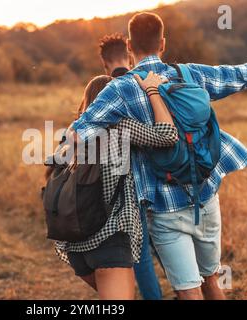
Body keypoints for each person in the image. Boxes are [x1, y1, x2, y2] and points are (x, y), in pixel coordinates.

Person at [69, 12, 247, 300]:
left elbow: (77, 135)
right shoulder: (192, 74)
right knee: (212, 281)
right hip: (206, 197)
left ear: (129, 46)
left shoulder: (121, 89)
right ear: (162, 43)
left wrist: (122, 130)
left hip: (164, 209)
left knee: (189, 292)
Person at [49, 74, 178, 300]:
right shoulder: (119, 125)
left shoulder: (73, 131)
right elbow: (168, 136)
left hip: (75, 246)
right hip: (110, 241)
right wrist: (153, 92)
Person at [98, 32, 163, 300]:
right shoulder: (145, 83)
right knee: (169, 243)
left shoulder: (106, 92)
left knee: (141, 254)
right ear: (130, 52)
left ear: (104, 64)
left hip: (126, 186)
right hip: (160, 176)